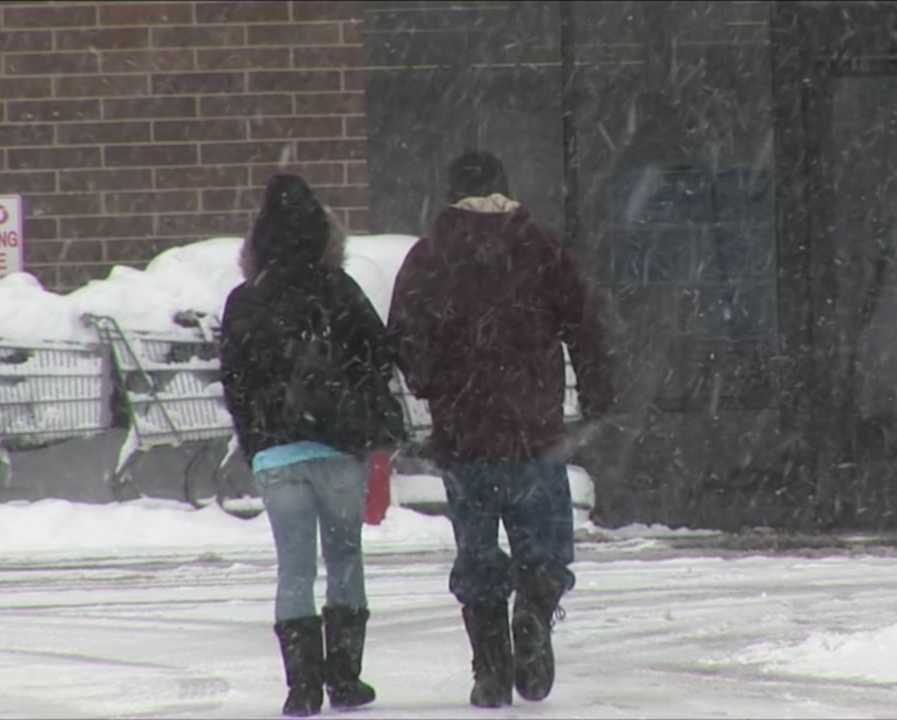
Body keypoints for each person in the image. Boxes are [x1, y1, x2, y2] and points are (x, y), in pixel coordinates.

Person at [387, 151, 615, 707]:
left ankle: (490, 666)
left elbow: (402, 334)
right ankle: (534, 609)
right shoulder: (542, 248)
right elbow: (585, 325)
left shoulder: (430, 256)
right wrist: (597, 395)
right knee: (546, 543)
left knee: (478, 553)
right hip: (532, 429)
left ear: (451, 192)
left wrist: (431, 382)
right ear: (505, 189)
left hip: (464, 435)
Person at [219, 174, 405, 717]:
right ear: (326, 237)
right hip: (338, 449)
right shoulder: (340, 290)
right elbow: (379, 356)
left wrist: (258, 440)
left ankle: (301, 687)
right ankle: (345, 678)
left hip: (278, 453)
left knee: (294, 567)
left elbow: (235, 379)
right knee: (345, 557)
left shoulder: (244, 300)